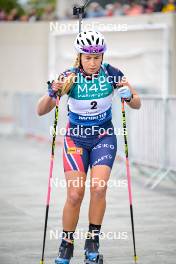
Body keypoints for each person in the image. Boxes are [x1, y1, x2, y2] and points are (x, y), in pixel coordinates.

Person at [37, 30, 141, 264]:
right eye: (87, 57)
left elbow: (137, 103)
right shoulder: (69, 77)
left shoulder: (113, 74)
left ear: (102, 56)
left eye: (97, 57)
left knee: (98, 189)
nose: (92, 63)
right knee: (75, 194)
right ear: (80, 57)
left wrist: (129, 95)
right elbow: (41, 110)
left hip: (103, 137)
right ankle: (66, 244)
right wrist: (51, 93)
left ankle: (92, 242)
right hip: (76, 139)